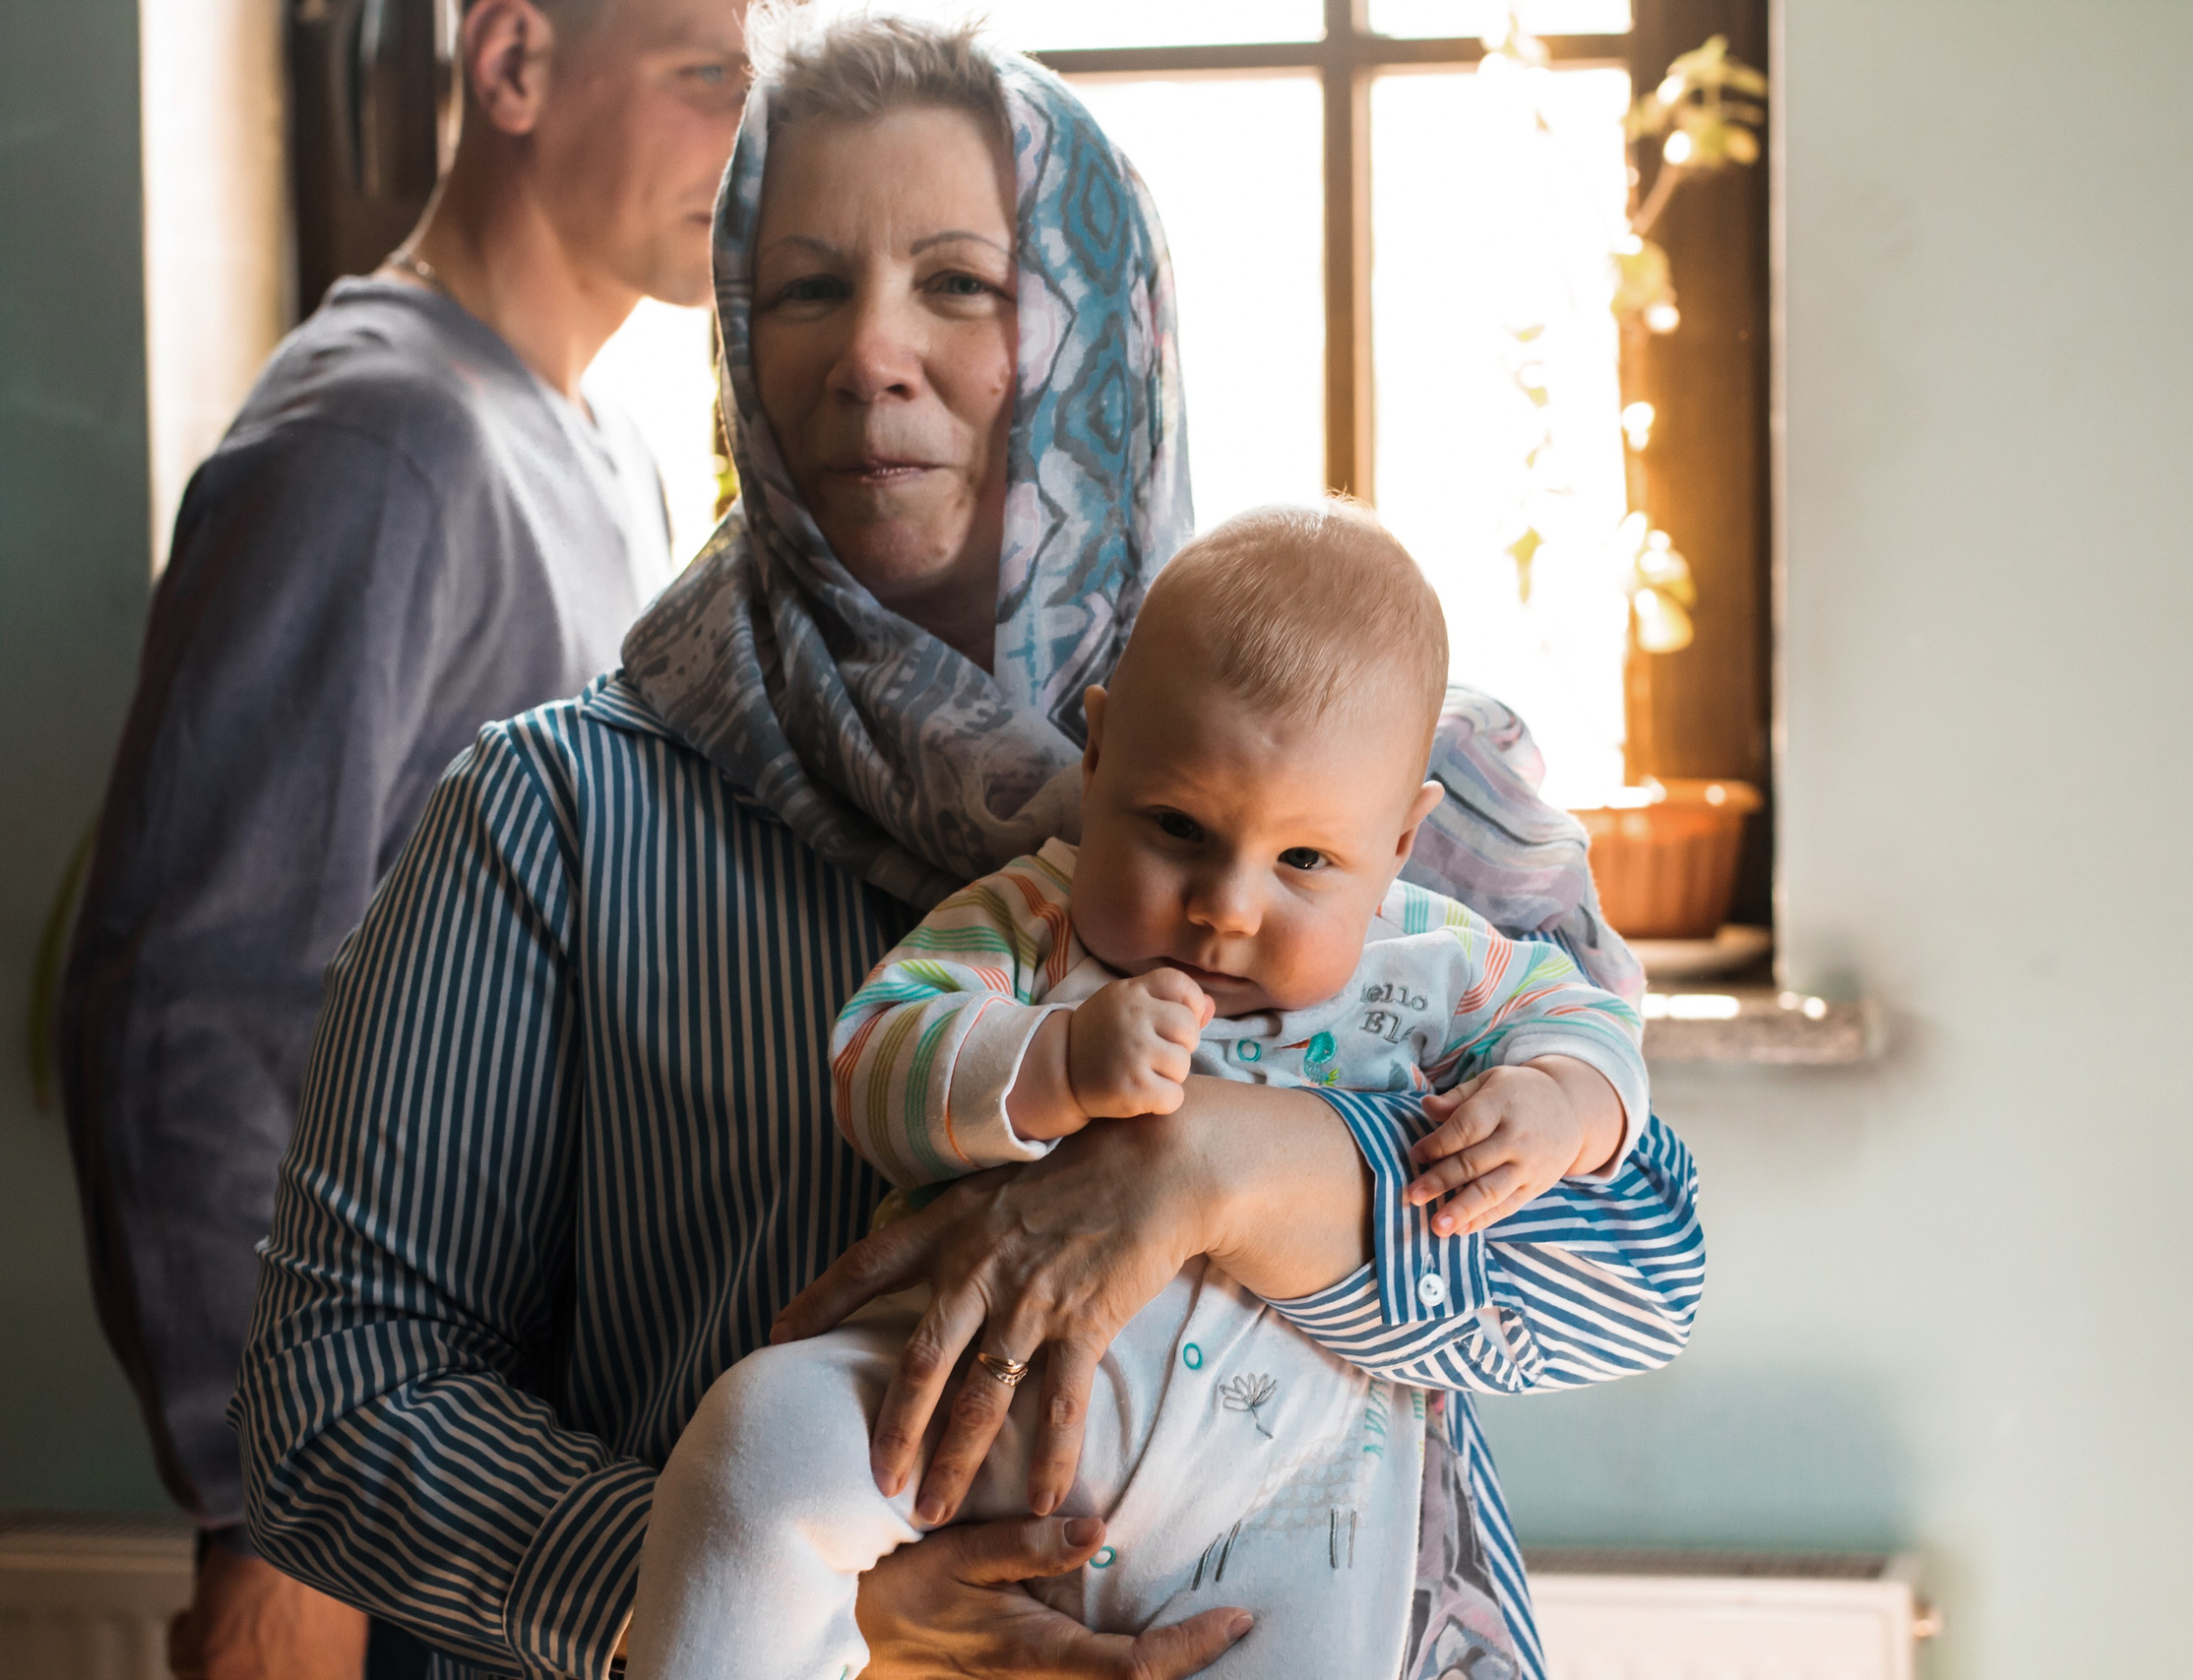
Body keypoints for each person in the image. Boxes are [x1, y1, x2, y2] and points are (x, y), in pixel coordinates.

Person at [230, 14, 1705, 1680]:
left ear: (1101, 328)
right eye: (801, 287)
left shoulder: (1405, 776)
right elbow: (332, 1399)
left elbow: (1640, 1275)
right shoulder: (552, 820)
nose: (871, 352)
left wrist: (1218, 1167)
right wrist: (782, 1601)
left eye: (962, 283)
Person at [629, 502, 1661, 1678]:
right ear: (1103, 752)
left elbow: (1583, 1022)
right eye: (1176, 826)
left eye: (1306, 861)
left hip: (1284, 1509)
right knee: (751, 1446)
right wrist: (1049, 1062)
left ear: (1399, 841)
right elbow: (875, 1057)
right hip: (957, 1428)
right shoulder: (1033, 917)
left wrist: (1566, 1102)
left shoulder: (1440, 961)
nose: (1225, 903)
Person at [54, 0, 747, 1674]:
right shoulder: (377, 444)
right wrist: (263, 1510)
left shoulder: (602, 446)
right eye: (703, 79)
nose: (747, 144)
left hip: (534, 1458)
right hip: (380, 1487)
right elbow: (185, 1017)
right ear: (511, 66)